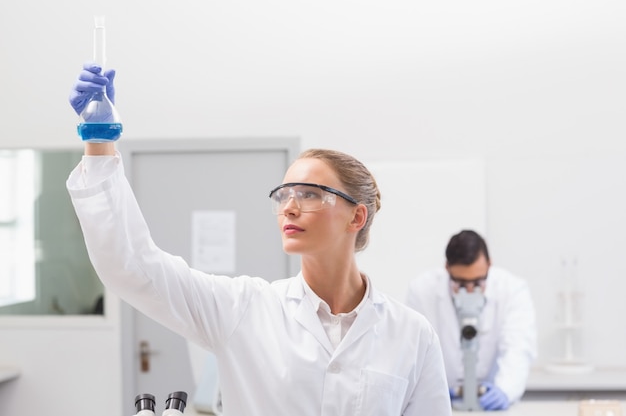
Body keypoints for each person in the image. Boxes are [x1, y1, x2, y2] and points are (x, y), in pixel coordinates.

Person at [66, 62, 452, 416]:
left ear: (357, 215)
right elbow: (132, 266)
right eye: (283, 195)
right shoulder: (243, 309)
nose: (289, 207)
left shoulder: (412, 334)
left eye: (310, 194)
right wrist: (99, 143)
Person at [405, 229, 537, 411]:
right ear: (447, 268)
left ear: (489, 265)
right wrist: (433, 390)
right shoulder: (422, 291)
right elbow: (414, 354)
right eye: (459, 283)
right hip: (441, 404)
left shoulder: (512, 290)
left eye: (477, 283)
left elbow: (518, 347)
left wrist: (505, 390)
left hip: (492, 403)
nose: (468, 291)